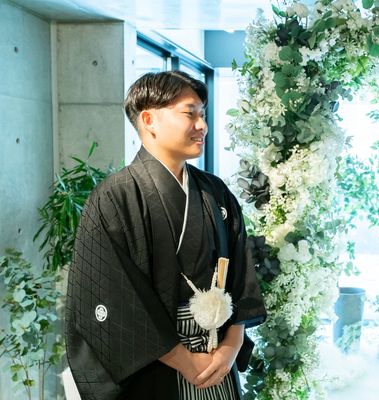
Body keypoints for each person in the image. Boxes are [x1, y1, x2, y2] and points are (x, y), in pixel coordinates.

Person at [65, 71, 266, 400]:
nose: (202, 125)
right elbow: (112, 295)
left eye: (203, 114)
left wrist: (232, 345)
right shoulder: (116, 196)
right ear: (149, 120)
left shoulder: (215, 192)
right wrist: (184, 361)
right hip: (156, 367)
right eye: (190, 113)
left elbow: (241, 276)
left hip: (217, 361)